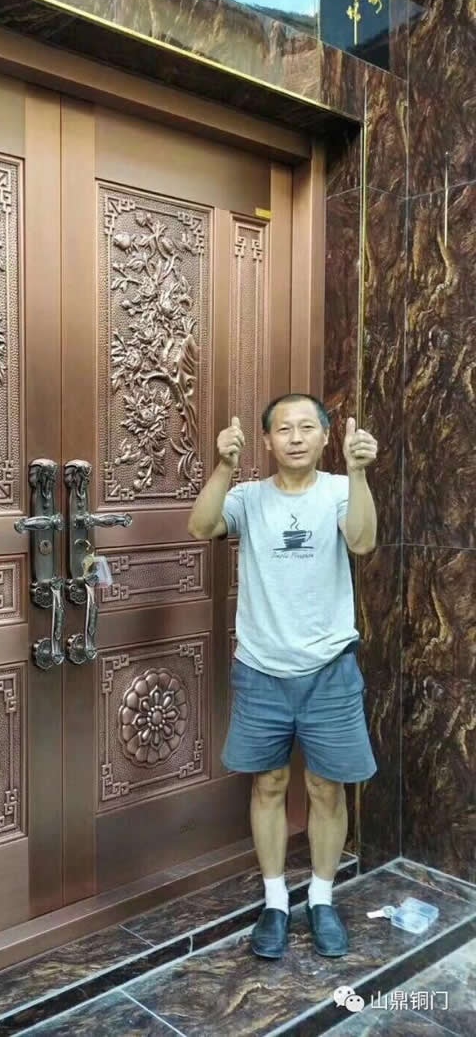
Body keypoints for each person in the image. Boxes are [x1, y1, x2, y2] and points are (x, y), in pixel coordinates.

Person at [187, 394, 378, 959]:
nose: (295, 437)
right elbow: (201, 525)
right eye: (283, 429)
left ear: (325, 437)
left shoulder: (340, 489)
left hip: (329, 670)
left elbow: (362, 541)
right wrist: (224, 466)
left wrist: (359, 474)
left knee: (325, 787)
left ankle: (321, 897)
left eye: (307, 427)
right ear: (267, 441)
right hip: (261, 669)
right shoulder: (248, 497)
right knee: (268, 784)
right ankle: (275, 901)